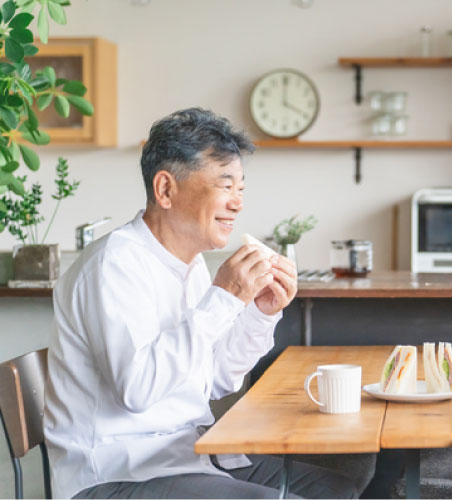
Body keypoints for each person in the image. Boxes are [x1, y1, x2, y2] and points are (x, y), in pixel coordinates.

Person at [44, 108, 373, 499]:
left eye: (241, 188)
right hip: (119, 474)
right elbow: (137, 391)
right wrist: (225, 298)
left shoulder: (192, 265)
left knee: (339, 487)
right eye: (224, 184)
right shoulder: (114, 264)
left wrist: (259, 313)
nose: (237, 203)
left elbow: (217, 379)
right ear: (166, 189)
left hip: (187, 456)